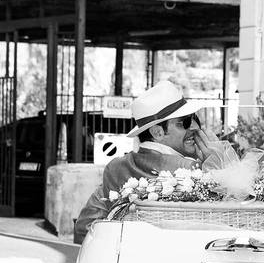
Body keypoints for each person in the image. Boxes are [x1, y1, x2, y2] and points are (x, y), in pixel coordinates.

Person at [73, 81, 229, 243]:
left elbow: (84, 227)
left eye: (194, 119)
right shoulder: (194, 170)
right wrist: (218, 165)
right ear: (158, 132)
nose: (195, 127)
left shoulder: (115, 168)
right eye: (186, 122)